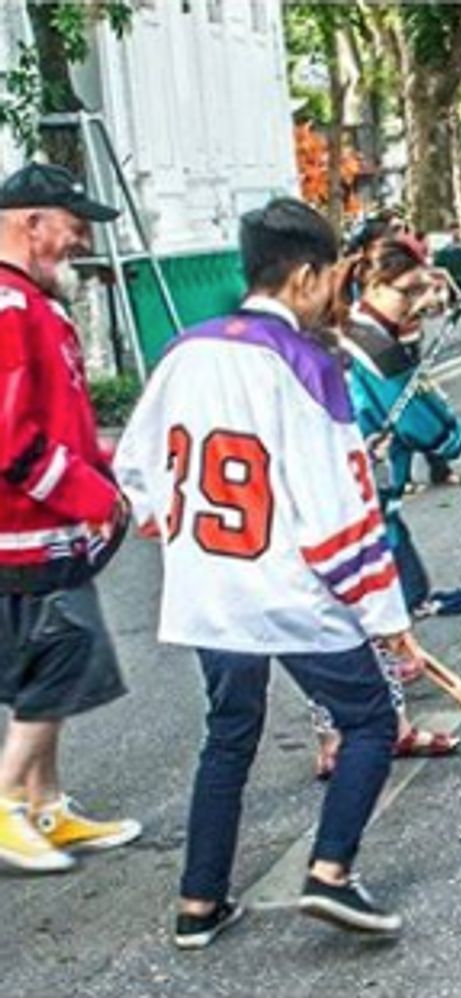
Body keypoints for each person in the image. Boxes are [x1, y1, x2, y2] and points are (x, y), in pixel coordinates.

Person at [114, 198, 413, 946]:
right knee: (372, 719)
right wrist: (388, 619)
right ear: (309, 274)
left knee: (230, 732)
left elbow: (134, 467)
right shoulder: (307, 363)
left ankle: (198, 902)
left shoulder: (185, 349)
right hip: (286, 590)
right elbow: (340, 511)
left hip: (208, 591)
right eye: (333, 276)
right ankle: (331, 874)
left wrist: (175, 532)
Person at [0, 163, 139, 874]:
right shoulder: (8, 306)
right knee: (60, 654)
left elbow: (56, 426)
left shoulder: (29, 302)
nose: (80, 240)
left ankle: (44, 803)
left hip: (42, 524)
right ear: (32, 223)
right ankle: (5, 802)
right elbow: (9, 439)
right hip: (20, 527)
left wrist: (113, 463)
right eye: (71, 225)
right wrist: (96, 496)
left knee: (42, 661)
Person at [324, 233, 461, 776]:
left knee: (362, 614)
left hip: (363, 493)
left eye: (426, 289)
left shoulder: (365, 333)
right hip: (357, 495)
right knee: (368, 613)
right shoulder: (368, 344)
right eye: (409, 290)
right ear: (373, 284)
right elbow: (420, 420)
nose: (422, 301)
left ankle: (342, 734)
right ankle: (368, 732)